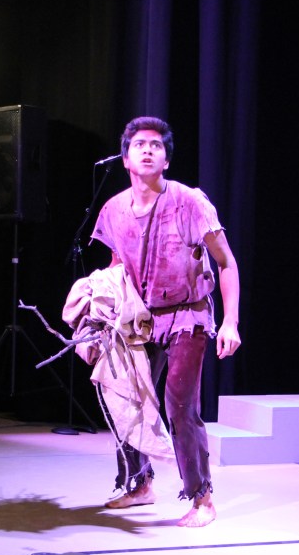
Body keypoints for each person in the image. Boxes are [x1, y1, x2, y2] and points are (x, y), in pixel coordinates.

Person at [90, 116, 241, 527]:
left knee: (179, 403)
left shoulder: (189, 201)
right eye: (138, 144)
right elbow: (119, 263)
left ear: (166, 160)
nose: (147, 149)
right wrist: (100, 306)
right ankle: (139, 484)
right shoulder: (114, 209)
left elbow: (226, 262)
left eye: (156, 145)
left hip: (187, 314)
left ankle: (202, 498)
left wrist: (230, 322)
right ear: (125, 158)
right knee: (125, 397)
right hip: (139, 318)